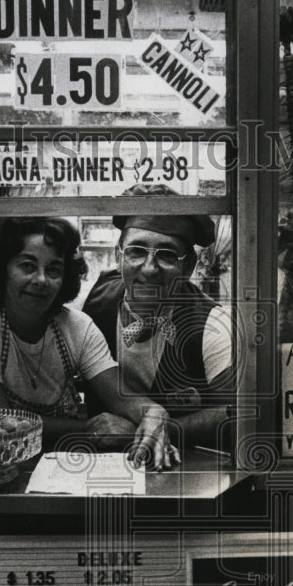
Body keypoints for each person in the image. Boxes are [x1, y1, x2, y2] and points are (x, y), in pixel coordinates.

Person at [0, 217, 178, 470]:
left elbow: (121, 398)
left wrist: (154, 413)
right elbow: (1, 419)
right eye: (27, 266)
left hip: (67, 464)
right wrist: (91, 428)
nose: (41, 280)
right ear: (2, 268)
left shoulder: (77, 326)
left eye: (54, 270)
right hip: (0, 465)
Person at [82, 185, 234, 449]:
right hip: (99, 464)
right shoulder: (88, 304)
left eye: (166, 255)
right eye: (137, 251)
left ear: (188, 267)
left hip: (185, 467)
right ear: (118, 256)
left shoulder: (212, 325)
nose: (149, 268)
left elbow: (236, 414)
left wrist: (151, 433)